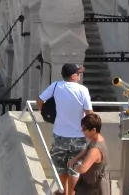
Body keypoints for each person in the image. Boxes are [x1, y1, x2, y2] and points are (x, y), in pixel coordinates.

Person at [38, 64, 93, 195]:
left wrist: (46, 113)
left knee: (61, 166)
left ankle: (63, 191)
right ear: (73, 76)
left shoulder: (56, 86)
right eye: (78, 73)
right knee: (75, 168)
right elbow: (89, 112)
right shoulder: (83, 90)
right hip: (78, 136)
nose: (80, 76)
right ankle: (72, 193)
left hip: (59, 134)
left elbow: (40, 100)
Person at [70, 113, 108, 195]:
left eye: (84, 129)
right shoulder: (98, 139)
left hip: (92, 188)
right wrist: (76, 158)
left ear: (93, 130)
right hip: (91, 183)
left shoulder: (95, 150)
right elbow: (87, 149)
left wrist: (73, 165)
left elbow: (82, 169)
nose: (82, 130)